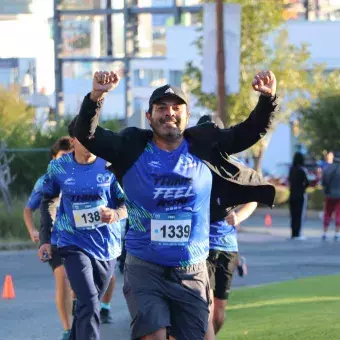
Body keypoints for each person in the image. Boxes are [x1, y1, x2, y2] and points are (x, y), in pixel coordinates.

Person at [74, 70, 278, 340]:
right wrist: (96, 97)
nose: (169, 113)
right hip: (145, 267)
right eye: (161, 108)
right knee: (155, 336)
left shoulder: (206, 144)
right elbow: (86, 134)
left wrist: (268, 99)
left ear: (187, 116)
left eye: (176, 108)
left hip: (192, 267)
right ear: (149, 117)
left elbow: (251, 131)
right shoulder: (131, 146)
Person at [38, 117, 127, 340]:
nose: (91, 143)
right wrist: (45, 240)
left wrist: (115, 214)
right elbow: (48, 200)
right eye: (85, 138)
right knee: (88, 300)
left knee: (89, 304)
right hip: (72, 242)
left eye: (94, 139)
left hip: (106, 246)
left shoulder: (110, 164)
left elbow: (127, 203)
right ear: (74, 140)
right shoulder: (59, 166)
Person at [197, 115, 257, 337]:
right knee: (207, 307)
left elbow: (252, 199)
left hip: (227, 246)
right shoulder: (194, 164)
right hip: (200, 247)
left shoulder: (235, 168)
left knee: (219, 314)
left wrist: (239, 217)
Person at [24, 136, 74, 340]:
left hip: (81, 238)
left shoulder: (83, 177)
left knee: (80, 286)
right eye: (62, 157)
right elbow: (29, 210)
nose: (66, 161)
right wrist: (33, 231)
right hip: (55, 240)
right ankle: (67, 330)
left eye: (70, 156)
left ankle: (82, 311)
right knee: (62, 279)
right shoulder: (46, 180)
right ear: (54, 159)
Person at [288, 152, 309, 240]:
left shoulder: (291, 170)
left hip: (292, 195)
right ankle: (298, 234)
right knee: (299, 215)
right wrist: (303, 188)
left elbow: (289, 181)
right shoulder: (302, 170)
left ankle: (293, 233)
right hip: (300, 195)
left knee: (293, 215)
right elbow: (307, 182)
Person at [322, 151, 340, 241]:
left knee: (327, 213)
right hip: (339, 196)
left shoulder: (328, 168)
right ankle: (337, 233)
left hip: (329, 194)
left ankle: (325, 232)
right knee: (338, 214)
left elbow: (324, 181)